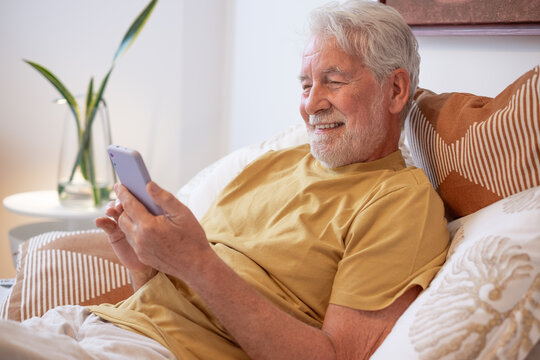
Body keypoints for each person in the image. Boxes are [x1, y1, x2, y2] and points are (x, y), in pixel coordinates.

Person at [0, 1, 449, 359]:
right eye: (305, 85)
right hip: (94, 322)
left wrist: (196, 261)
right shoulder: (271, 164)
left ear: (395, 90)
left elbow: (335, 356)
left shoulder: (400, 201)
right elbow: (181, 302)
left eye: (332, 81)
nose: (312, 104)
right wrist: (145, 261)